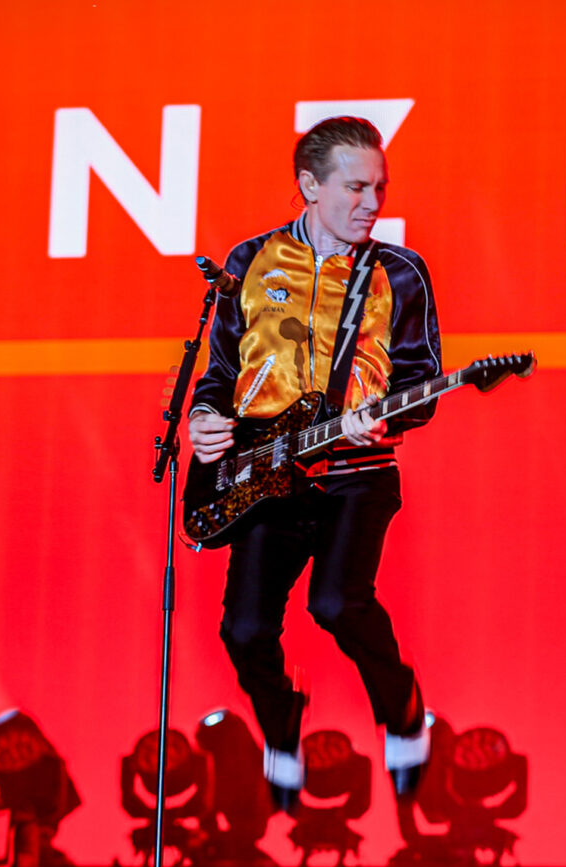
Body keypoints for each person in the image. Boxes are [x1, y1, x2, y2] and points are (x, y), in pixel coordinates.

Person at [189, 117, 441, 807]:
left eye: (378, 188)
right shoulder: (249, 261)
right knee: (243, 629)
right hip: (266, 473)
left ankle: (402, 709)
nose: (371, 202)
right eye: (355, 186)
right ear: (309, 185)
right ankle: (280, 730)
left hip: (356, 477)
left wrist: (380, 415)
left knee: (336, 604)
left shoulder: (398, 272)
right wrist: (204, 420)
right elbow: (219, 371)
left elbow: (423, 383)